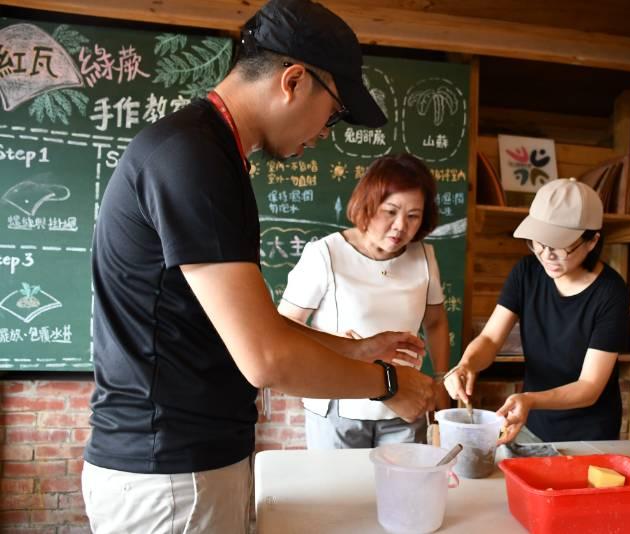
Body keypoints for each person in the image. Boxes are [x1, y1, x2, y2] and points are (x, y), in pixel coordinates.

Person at [81, 1, 435, 532]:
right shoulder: (194, 159)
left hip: (185, 463)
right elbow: (266, 358)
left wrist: (355, 349)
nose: (326, 133)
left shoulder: (207, 153)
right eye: (334, 112)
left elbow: (253, 329)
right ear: (294, 80)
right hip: (172, 472)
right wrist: (386, 382)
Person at [278, 153, 451, 449]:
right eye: (390, 211)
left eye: (413, 216)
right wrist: (336, 342)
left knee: (402, 492)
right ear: (368, 204)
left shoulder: (424, 257)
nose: (400, 227)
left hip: (405, 402)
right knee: (340, 494)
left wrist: (441, 379)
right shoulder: (326, 254)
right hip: (338, 404)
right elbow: (284, 324)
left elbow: (435, 322)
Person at [444, 178, 630, 444]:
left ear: (592, 241)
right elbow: (490, 339)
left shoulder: (610, 293)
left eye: (560, 245)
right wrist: (467, 364)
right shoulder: (527, 272)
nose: (546, 254)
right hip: (532, 425)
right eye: (538, 242)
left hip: (589, 434)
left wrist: (530, 399)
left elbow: (589, 387)